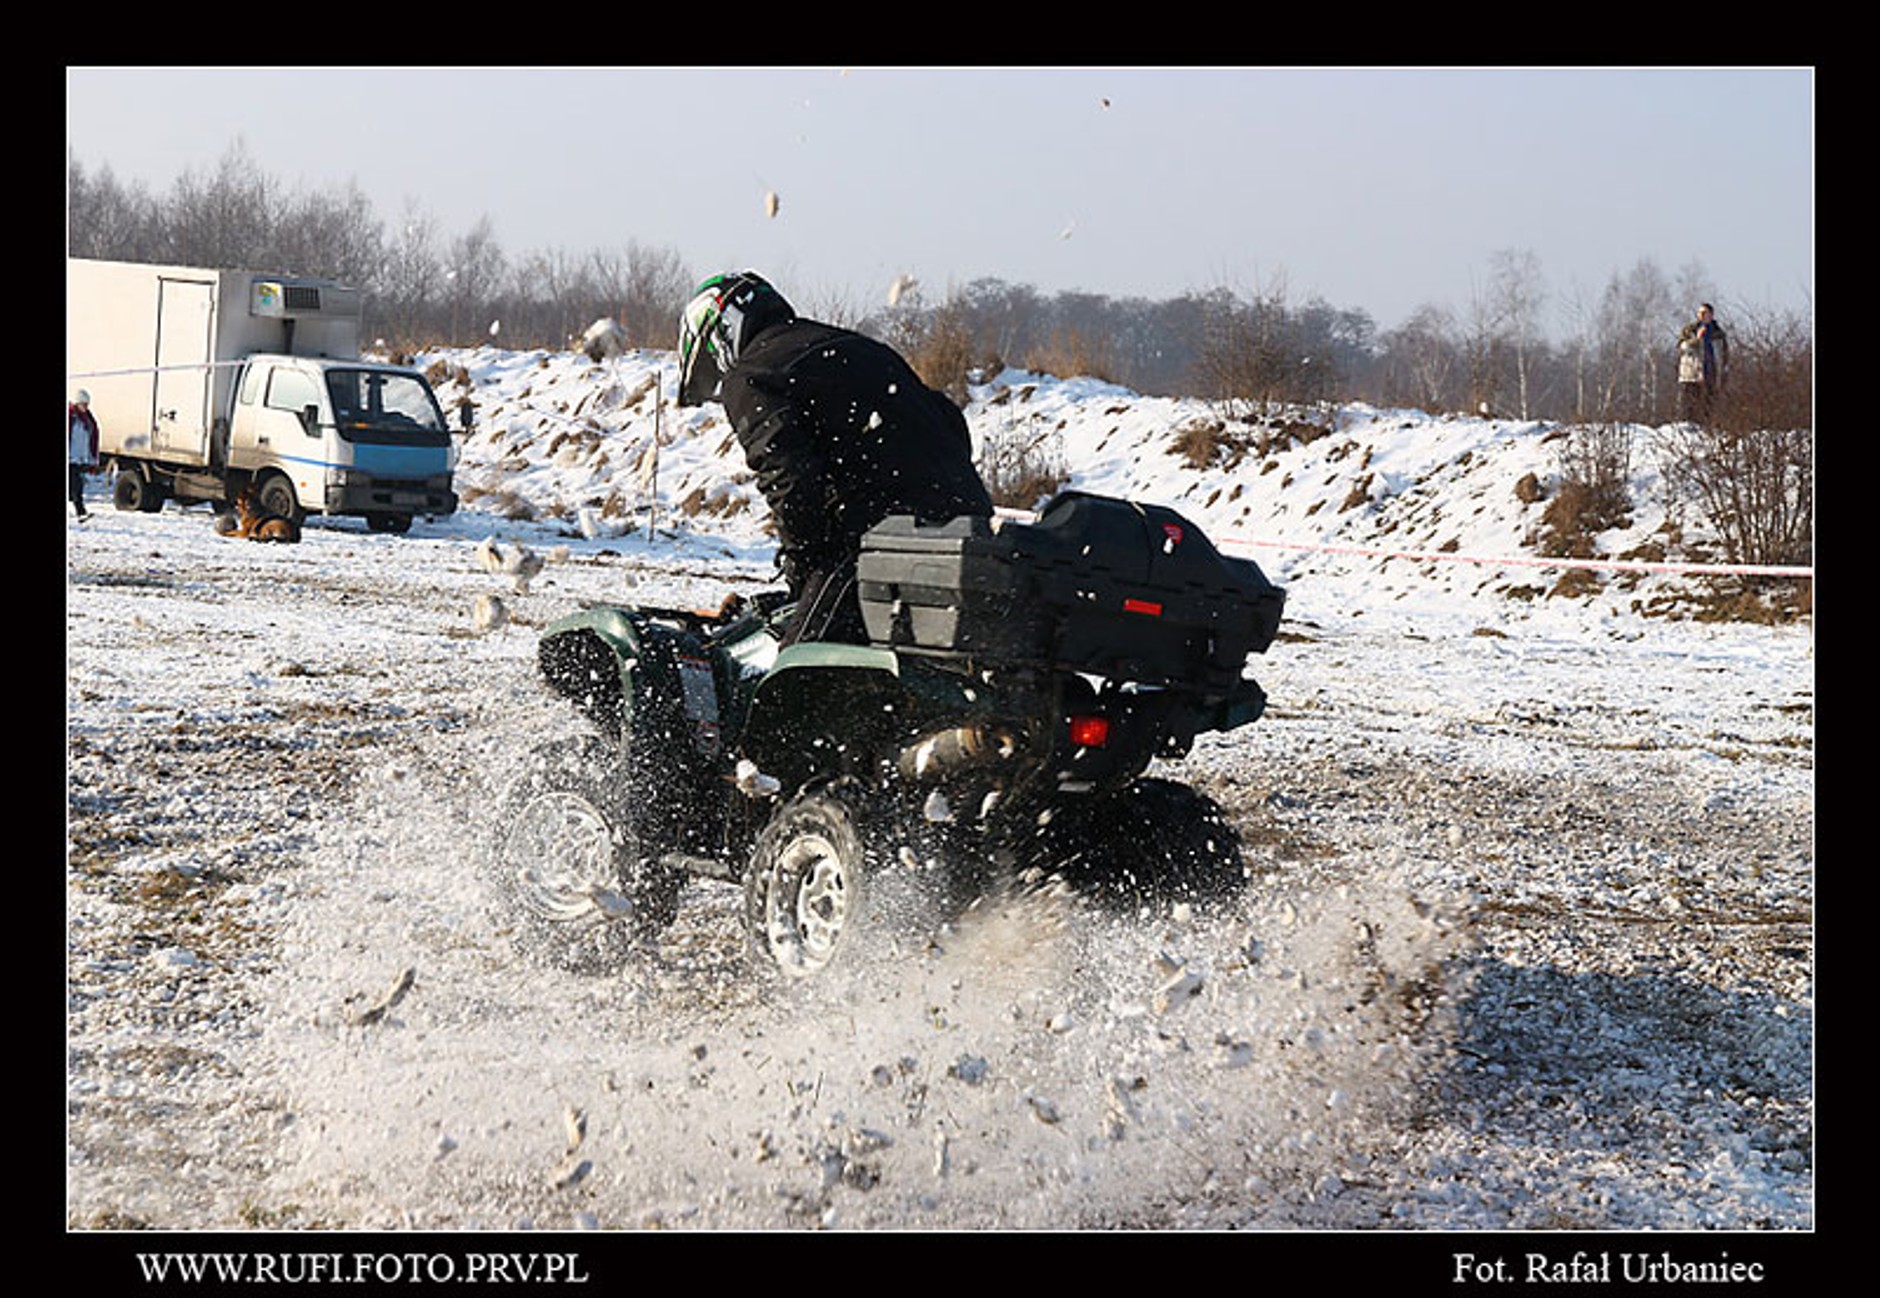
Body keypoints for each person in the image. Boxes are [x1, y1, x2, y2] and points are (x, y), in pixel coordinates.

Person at [675, 271, 994, 644]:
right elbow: (947, 420)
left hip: (880, 542)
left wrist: (804, 564)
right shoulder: (860, 349)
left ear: (722, 333)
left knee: (798, 674)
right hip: (968, 532)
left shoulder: (753, 373)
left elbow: (788, 477)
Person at [1677, 302, 1729, 424]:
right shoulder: (1689, 330)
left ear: (1711, 315)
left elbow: (1724, 352)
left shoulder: (1718, 333)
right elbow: (1682, 347)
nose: (1701, 315)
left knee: (1709, 403)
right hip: (1692, 373)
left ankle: (1707, 426)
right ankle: (1689, 428)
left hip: (1711, 372)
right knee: (1690, 404)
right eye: (1699, 313)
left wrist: (1724, 370)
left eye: (1704, 313)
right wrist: (1697, 339)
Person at [69, 389, 100, 518]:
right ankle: (80, 512)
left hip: (80, 458)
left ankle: (80, 512)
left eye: (87, 404)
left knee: (77, 485)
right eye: (83, 404)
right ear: (77, 403)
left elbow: (90, 438)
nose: (86, 407)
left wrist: (91, 458)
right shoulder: (71, 417)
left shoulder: (88, 419)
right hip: (70, 457)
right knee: (75, 485)